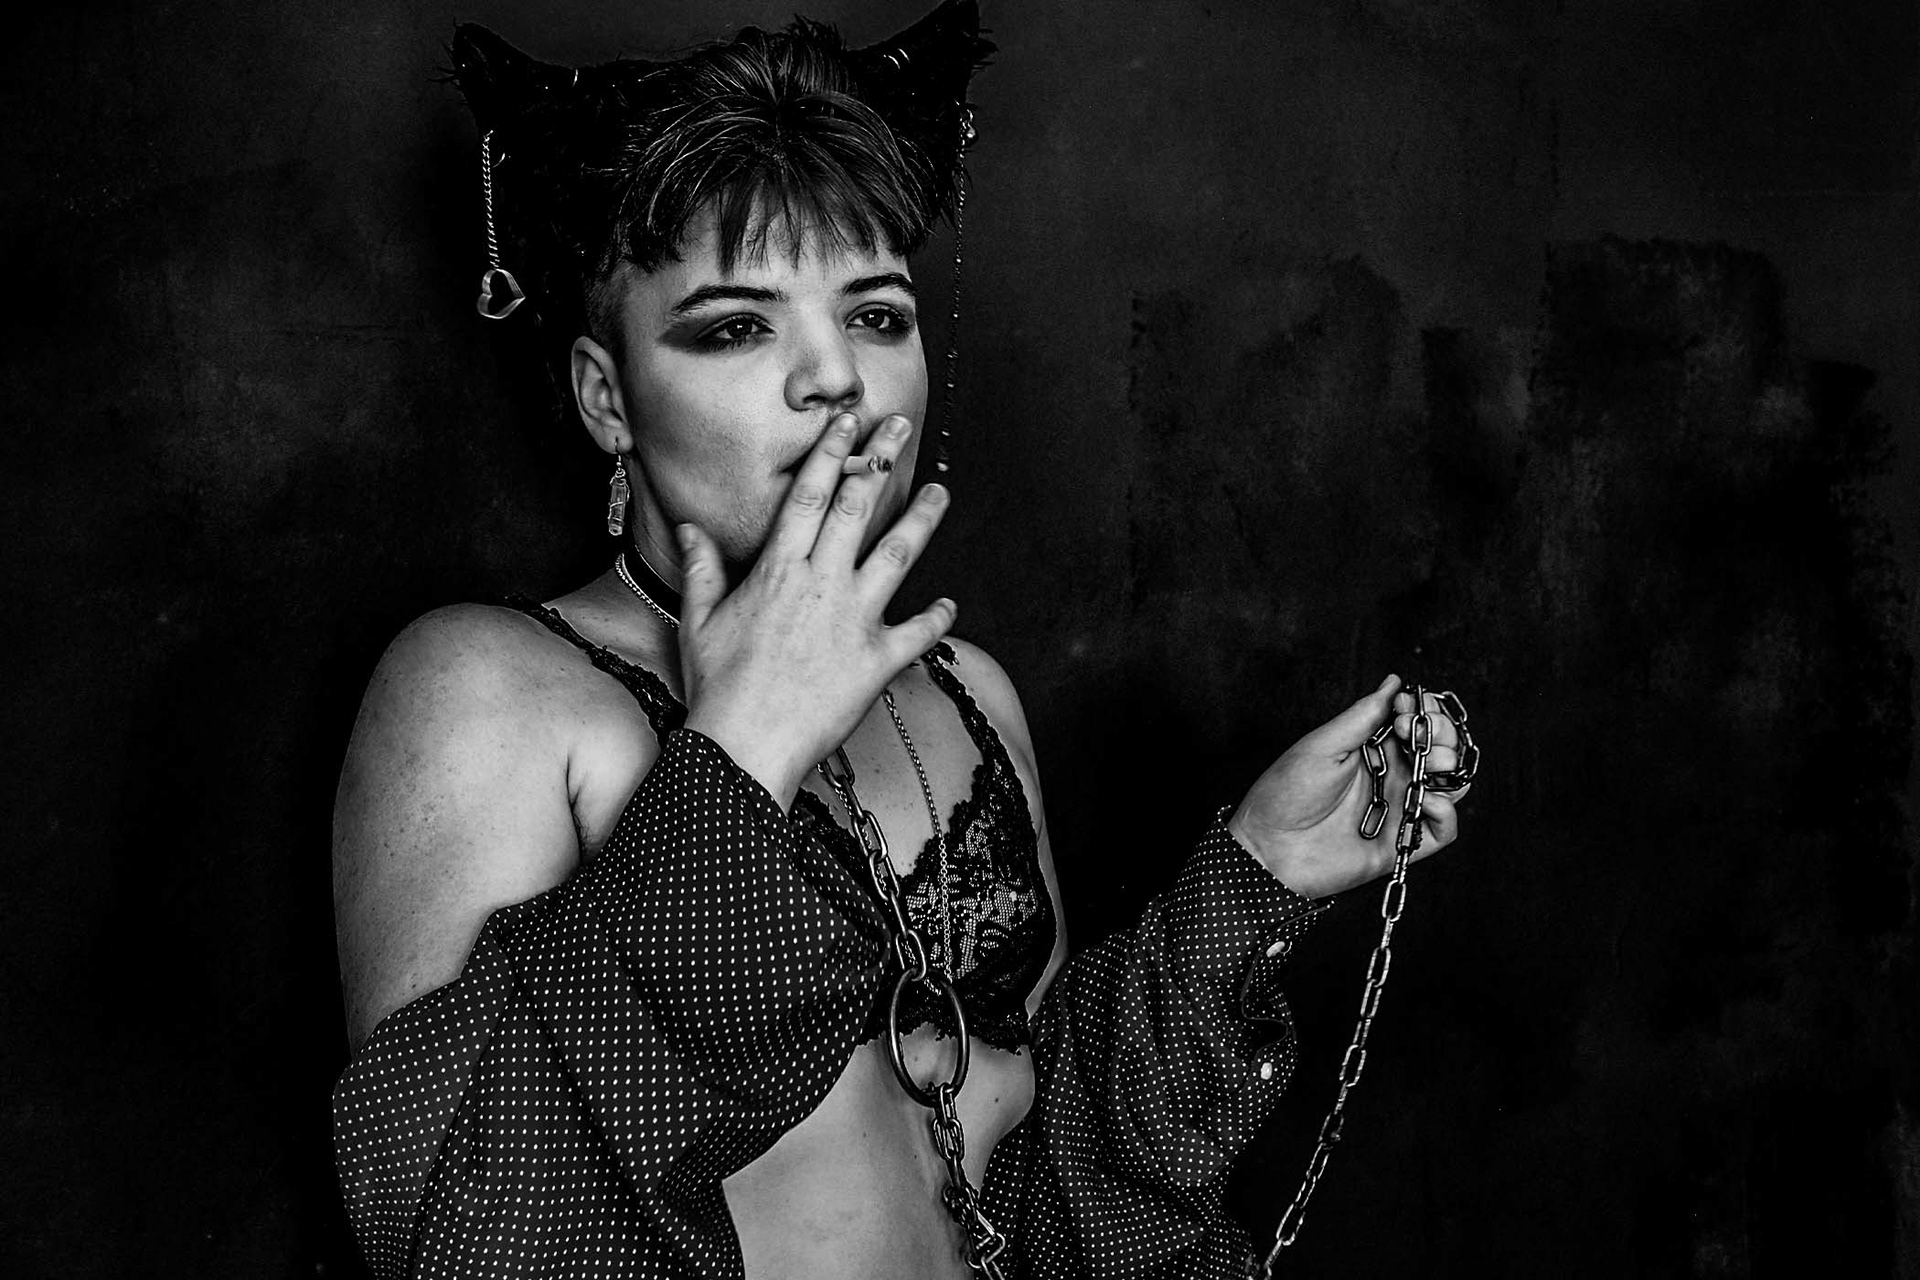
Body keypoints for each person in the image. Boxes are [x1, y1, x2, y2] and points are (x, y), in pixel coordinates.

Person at [330, 4, 1476, 1277]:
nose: (835, 376)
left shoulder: (963, 691)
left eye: (876, 315)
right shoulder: (487, 689)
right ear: (608, 396)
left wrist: (1259, 869)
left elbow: (1046, 1182)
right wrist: (742, 747)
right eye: (736, 326)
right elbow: (465, 1224)